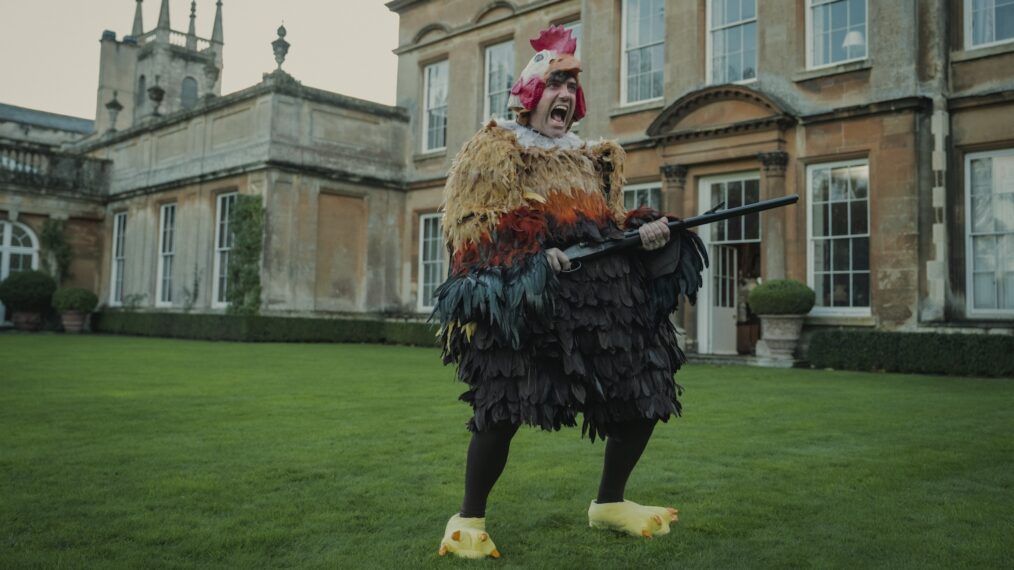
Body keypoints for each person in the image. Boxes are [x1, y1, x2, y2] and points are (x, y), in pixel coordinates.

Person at [431, 25, 706, 559]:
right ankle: (466, 520)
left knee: (646, 388)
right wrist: (531, 251)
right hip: (535, 304)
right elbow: (473, 226)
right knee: (504, 405)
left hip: (603, 305)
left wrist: (645, 232)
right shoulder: (498, 149)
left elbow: (608, 225)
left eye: (571, 87)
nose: (565, 95)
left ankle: (609, 502)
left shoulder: (594, 157)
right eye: (555, 83)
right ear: (532, 94)